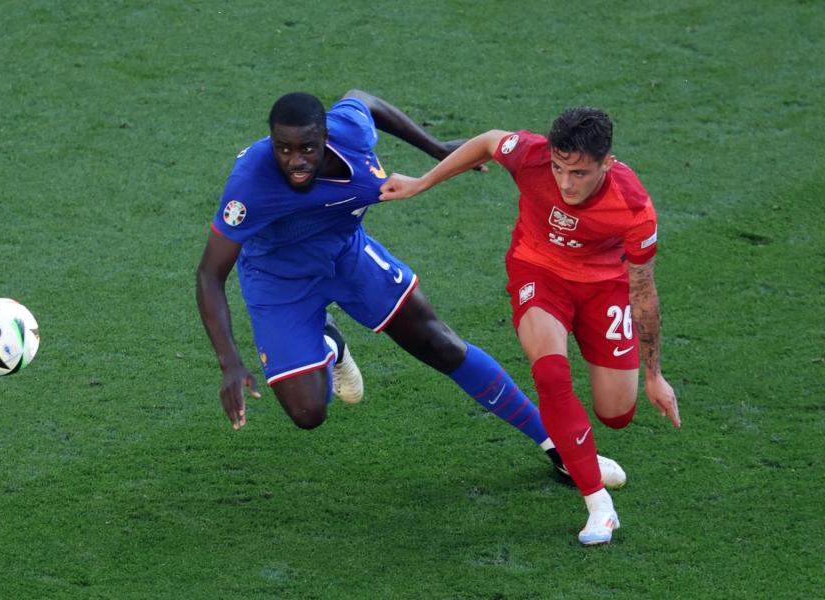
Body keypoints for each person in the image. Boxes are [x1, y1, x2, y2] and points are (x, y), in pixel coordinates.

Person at [195, 90, 626, 487]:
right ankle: (328, 343)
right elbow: (209, 275)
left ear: (326, 135)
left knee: (441, 344)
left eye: (306, 148)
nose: (294, 160)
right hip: (279, 279)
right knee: (308, 412)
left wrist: (436, 149)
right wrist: (230, 364)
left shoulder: (350, 130)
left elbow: (364, 99)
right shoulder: (250, 185)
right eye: (283, 148)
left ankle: (558, 446)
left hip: (347, 256)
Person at [379, 104, 682, 545]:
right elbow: (486, 141)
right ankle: (597, 502)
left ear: (608, 165)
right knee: (550, 371)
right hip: (539, 273)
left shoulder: (633, 208)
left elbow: (643, 292)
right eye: (559, 168)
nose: (564, 182)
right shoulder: (530, 153)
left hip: (604, 288)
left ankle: (581, 449)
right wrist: (420, 184)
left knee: (616, 414)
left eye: (579, 173)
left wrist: (654, 375)